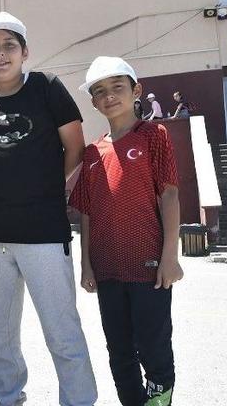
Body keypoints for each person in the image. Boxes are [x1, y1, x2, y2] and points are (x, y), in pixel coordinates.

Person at [0, 12, 97, 406]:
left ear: (24, 52)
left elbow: (76, 149)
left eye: (9, 45)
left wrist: (44, 186)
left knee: (62, 331)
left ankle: (79, 401)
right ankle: (8, 398)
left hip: (43, 232)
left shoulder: (47, 87)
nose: (0, 54)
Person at [71, 56, 183, 406]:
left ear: (136, 90)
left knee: (153, 347)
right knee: (119, 351)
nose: (109, 96)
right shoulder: (92, 152)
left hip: (148, 268)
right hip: (107, 270)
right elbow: (86, 212)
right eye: (99, 91)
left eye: (117, 87)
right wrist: (86, 265)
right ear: (93, 102)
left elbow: (169, 194)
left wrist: (170, 257)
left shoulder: (153, 135)